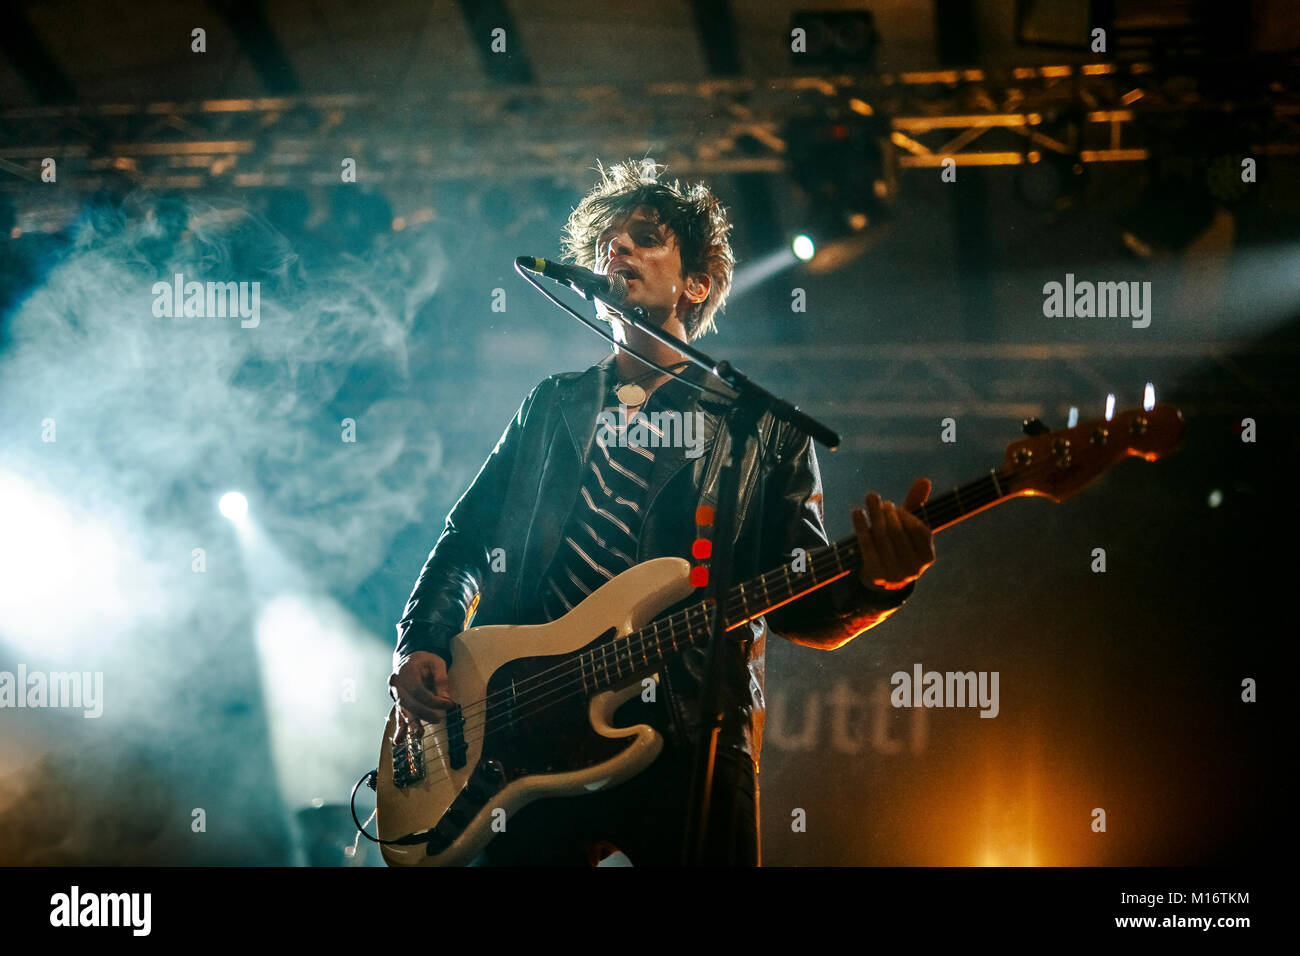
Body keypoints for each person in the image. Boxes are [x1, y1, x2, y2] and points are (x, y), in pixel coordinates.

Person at [388, 158, 936, 865]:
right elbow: (467, 539)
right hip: (521, 729)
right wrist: (421, 640)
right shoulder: (551, 405)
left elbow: (799, 598)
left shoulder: (759, 430)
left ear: (697, 284)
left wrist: (881, 582)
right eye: (606, 243)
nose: (616, 250)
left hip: (689, 732)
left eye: (643, 237)